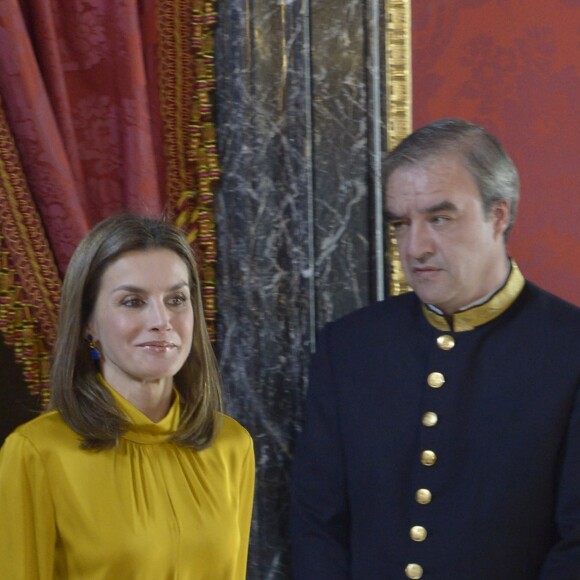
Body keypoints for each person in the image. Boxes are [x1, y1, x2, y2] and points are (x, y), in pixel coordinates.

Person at [290, 118, 580, 579]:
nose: (415, 247)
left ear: (498, 215)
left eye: (439, 219)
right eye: (401, 225)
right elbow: (316, 528)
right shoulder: (348, 349)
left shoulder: (568, 350)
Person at [0, 214, 255, 579]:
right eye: (133, 301)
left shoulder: (231, 444)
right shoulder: (36, 452)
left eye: (177, 299)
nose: (162, 320)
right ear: (89, 323)